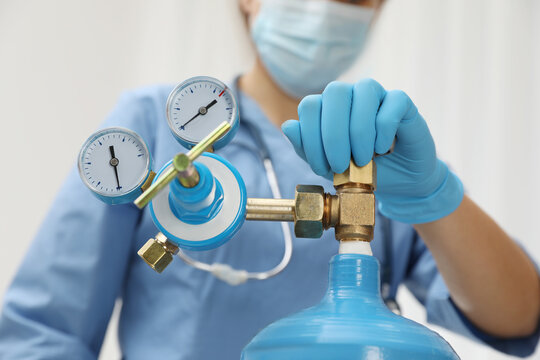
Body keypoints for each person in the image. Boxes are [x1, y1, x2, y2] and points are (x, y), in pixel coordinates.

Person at [1, 0, 539, 359]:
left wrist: (432, 197)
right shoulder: (152, 128)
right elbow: (41, 333)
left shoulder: (379, 151)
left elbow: (517, 318)